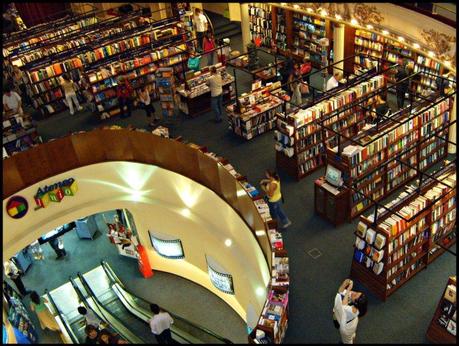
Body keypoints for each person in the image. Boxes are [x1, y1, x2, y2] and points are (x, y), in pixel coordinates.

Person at [333, 279, 368, 344]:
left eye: (355, 295)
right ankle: (352, 336)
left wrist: (348, 289)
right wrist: (344, 284)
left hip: (346, 328)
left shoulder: (351, 310)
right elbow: (341, 292)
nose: (354, 293)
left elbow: (343, 304)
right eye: (357, 293)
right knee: (351, 334)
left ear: (355, 303)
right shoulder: (358, 307)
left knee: (347, 341)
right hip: (352, 322)